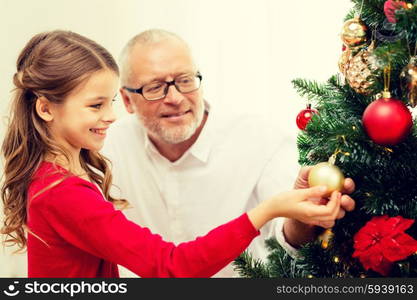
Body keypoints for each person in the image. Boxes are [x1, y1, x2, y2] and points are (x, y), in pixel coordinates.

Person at [0, 30, 343, 278]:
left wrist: (291, 210)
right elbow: (172, 267)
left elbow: (293, 243)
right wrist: (266, 211)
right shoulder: (65, 191)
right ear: (46, 109)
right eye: (95, 105)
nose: (110, 116)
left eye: (185, 80)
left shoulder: (57, 179)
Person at [102, 29, 356, 277]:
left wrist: (304, 219)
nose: (176, 98)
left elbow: (286, 240)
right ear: (126, 101)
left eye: (185, 80)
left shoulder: (263, 140)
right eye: (155, 87)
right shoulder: (106, 149)